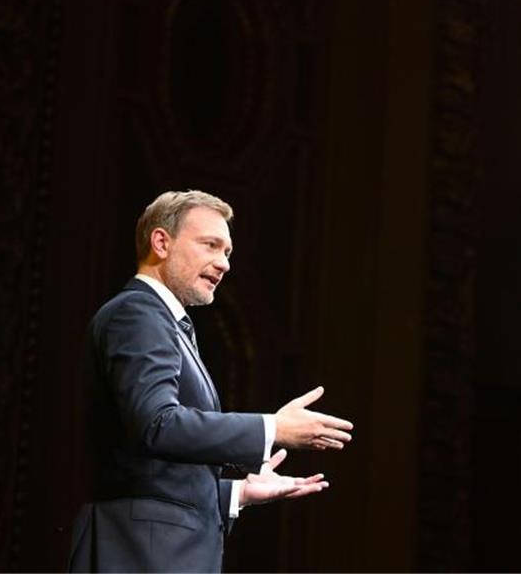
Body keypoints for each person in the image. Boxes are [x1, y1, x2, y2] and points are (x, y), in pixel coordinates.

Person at [68, 190, 354, 573]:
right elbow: (157, 425)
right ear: (161, 242)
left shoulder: (167, 324)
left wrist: (238, 492)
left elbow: (150, 473)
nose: (224, 264)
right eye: (211, 246)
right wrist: (272, 428)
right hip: (141, 553)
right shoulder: (138, 313)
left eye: (228, 253)